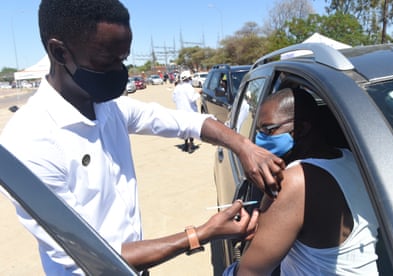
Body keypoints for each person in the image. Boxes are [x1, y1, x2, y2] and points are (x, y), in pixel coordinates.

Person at [0, 0, 285, 274]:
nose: (119, 72)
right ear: (60, 52)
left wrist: (243, 145)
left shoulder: (107, 107)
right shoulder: (29, 143)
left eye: (123, 59)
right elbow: (90, 256)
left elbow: (183, 122)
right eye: (106, 60)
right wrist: (200, 235)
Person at [224, 88, 379, 275]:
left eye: (267, 130)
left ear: (301, 129)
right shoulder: (352, 158)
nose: (257, 140)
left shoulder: (294, 181)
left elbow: (249, 273)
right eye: (257, 131)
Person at [172, 71, 199, 153]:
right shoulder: (189, 87)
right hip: (190, 112)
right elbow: (192, 98)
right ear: (189, 78)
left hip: (181, 112)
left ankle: (185, 144)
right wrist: (199, 93)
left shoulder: (177, 88)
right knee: (191, 130)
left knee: (184, 129)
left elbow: (173, 99)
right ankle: (191, 146)